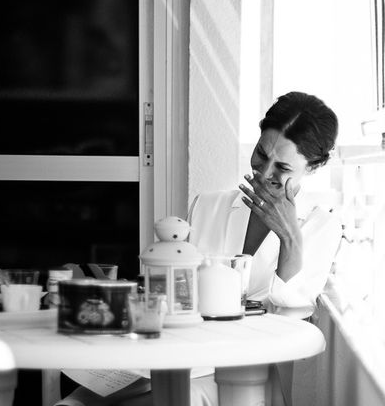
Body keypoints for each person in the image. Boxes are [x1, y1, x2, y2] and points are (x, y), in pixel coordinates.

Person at [56, 91, 341, 406]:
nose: (264, 171)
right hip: (174, 353)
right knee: (73, 404)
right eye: (261, 153)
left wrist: (289, 236)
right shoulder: (207, 206)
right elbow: (172, 294)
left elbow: (291, 317)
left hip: (240, 372)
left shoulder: (319, 225)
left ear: (312, 168)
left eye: (282, 167)